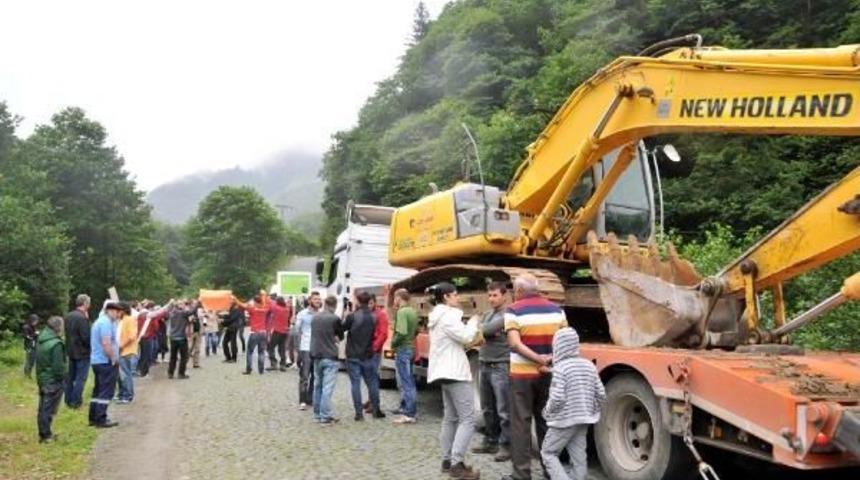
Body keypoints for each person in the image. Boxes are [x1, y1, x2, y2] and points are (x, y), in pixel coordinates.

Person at [501, 273, 568, 480]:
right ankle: (551, 471)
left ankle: (521, 474)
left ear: (519, 291)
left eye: (514, 290)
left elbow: (514, 343)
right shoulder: (558, 311)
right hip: (549, 374)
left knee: (521, 424)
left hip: (522, 376)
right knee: (546, 422)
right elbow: (566, 342)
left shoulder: (513, 311)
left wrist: (537, 358)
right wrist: (548, 359)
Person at [427, 282, 480, 480]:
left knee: (450, 418)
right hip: (455, 373)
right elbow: (466, 337)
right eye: (455, 295)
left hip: (443, 372)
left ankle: (446, 460)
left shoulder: (437, 317)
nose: (458, 298)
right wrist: (474, 321)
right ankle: (457, 464)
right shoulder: (448, 316)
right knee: (467, 419)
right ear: (447, 297)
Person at [540, 328, 606, 480]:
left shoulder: (560, 369)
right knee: (579, 457)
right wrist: (591, 410)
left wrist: (547, 412)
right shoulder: (589, 366)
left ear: (557, 346)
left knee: (548, 453)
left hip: (563, 421)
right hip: (584, 420)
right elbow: (601, 394)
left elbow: (557, 398)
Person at [472, 281, 512, 461]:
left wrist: (482, 330)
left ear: (504, 295)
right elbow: (477, 333)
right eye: (489, 295)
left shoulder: (508, 315)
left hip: (500, 366)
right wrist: (482, 331)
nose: (491, 299)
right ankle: (490, 441)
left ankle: (507, 446)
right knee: (487, 408)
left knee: (504, 410)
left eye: (495, 295)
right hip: (484, 364)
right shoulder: (488, 314)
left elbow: (485, 330)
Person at [343, 291, 384, 421]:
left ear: (358, 301)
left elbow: (342, 328)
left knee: (355, 384)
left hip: (353, 354)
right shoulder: (374, 317)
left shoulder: (353, 316)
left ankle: (359, 413)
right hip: (368, 354)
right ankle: (376, 410)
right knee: (372, 383)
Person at [310, 295, 343, 426]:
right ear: (334, 306)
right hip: (330, 356)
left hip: (316, 355)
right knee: (327, 388)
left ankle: (317, 414)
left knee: (318, 386)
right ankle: (325, 416)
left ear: (324, 304)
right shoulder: (335, 318)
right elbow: (339, 337)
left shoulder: (315, 317)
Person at [89, 301, 122, 428]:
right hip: (105, 361)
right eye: (117, 312)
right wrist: (113, 358)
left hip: (97, 361)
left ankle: (93, 417)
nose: (118, 315)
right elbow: (106, 344)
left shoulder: (100, 321)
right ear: (110, 311)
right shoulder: (106, 323)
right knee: (106, 391)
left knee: (97, 390)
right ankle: (101, 418)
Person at [35, 316, 66, 443]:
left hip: (42, 378)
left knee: (43, 407)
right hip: (52, 380)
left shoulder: (42, 339)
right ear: (58, 327)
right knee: (48, 409)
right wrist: (63, 376)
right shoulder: (56, 344)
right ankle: (46, 435)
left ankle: (44, 433)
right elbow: (58, 367)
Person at [391, 288, 418, 424]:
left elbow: (401, 332)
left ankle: (409, 413)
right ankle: (407, 408)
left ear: (398, 298)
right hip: (411, 348)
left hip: (403, 349)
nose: (394, 301)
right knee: (410, 380)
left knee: (406, 382)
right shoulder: (413, 311)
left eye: (395, 298)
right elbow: (417, 331)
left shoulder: (401, 312)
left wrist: (393, 343)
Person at [64, 294, 91, 409]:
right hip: (82, 352)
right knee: (80, 378)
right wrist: (90, 348)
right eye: (89, 303)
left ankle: (68, 400)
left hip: (70, 350)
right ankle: (76, 402)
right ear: (85, 303)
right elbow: (86, 337)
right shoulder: (82, 318)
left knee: (70, 377)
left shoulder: (68, 316)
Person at [294, 292, 320, 409]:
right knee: (305, 376)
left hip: (318, 348)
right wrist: (298, 349)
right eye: (315, 299)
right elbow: (297, 331)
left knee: (315, 376)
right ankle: (302, 400)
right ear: (310, 300)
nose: (318, 301)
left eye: (319, 299)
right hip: (306, 348)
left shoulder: (321, 315)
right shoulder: (303, 314)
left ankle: (310, 399)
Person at [136, 301, 172, 377]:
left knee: (143, 355)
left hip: (142, 337)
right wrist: (169, 304)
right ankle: (144, 373)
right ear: (150, 308)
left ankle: (140, 370)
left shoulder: (140, 314)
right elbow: (159, 312)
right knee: (146, 355)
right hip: (146, 337)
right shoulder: (147, 315)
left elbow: (159, 314)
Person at [241, 293, 272, 375]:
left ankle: (249, 369)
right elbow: (268, 303)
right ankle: (261, 370)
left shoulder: (252, 308)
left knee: (250, 351)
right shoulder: (265, 309)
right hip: (263, 332)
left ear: (254, 302)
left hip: (254, 332)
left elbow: (244, 306)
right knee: (261, 352)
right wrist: (264, 297)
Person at [116, 303, 138, 403]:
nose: (116, 312)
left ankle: (128, 395)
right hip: (122, 351)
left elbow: (132, 336)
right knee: (122, 375)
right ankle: (123, 393)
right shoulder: (121, 321)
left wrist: (121, 346)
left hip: (127, 351)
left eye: (118, 310)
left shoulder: (129, 319)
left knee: (125, 375)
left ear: (123, 310)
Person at [167, 301, 193, 379]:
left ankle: (170, 373)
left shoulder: (171, 313)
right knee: (183, 357)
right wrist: (199, 301)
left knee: (173, 357)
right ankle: (181, 374)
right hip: (181, 337)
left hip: (173, 338)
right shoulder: (183, 313)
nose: (184, 305)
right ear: (179, 306)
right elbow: (193, 311)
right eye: (182, 304)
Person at [267, 296, 291, 371]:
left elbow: (270, 303)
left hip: (277, 331)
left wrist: (267, 298)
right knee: (282, 348)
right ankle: (282, 365)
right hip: (285, 331)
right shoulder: (287, 309)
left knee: (270, 347)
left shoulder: (276, 308)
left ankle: (274, 363)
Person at [23, 314, 40, 378]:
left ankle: (29, 373)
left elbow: (35, 337)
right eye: (35, 321)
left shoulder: (34, 327)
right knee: (28, 360)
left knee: (33, 360)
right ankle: (27, 374)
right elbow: (27, 337)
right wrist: (35, 334)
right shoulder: (26, 327)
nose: (36, 322)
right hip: (29, 346)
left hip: (34, 345)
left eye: (36, 321)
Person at [189, 301, 203, 368]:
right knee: (189, 348)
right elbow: (189, 320)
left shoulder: (199, 311)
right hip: (191, 332)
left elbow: (202, 319)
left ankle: (196, 363)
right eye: (194, 303)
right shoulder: (188, 312)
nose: (196, 305)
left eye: (196, 304)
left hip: (198, 332)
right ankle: (184, 363)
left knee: (197, 348)